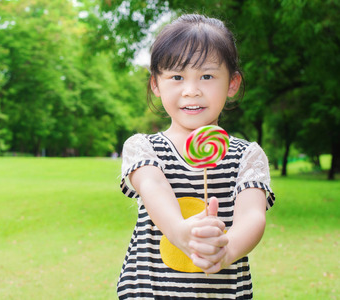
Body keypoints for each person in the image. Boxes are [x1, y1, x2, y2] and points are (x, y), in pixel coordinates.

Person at [117, 14, 276, 299]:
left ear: (232, 83)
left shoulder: (247, 156)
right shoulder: (142, 148)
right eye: (177, 77)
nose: (191, 91)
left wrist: (226, 250)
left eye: (207, 76)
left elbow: (252, 215)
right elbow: (153, 186)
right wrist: (180, 232)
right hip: (150, 293)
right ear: (156, 84)